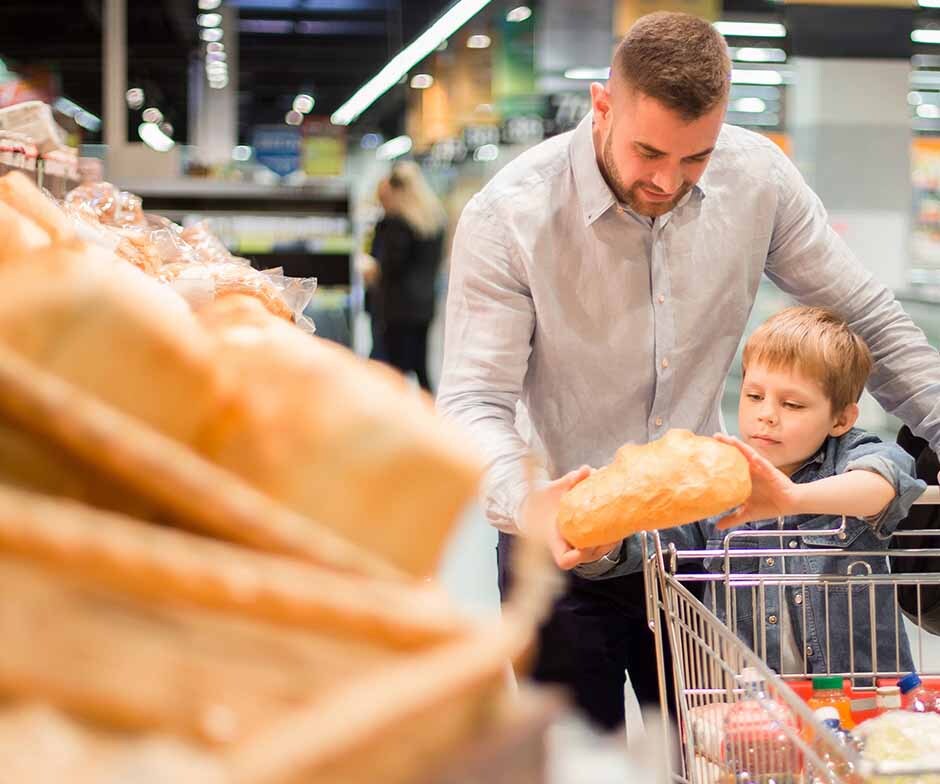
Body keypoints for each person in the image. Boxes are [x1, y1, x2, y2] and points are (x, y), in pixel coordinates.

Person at [436, 10, 940, 731]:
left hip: (697, 551)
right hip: (557, 544)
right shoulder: (509, 216)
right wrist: (528, 503)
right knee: (579, 761)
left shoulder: (756, 177)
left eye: (695, 157)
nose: (667, 180)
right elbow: (473, 400)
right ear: (602, 104)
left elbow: (869, 318)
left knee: (713, 754)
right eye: (648, 152)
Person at [575, 307, 926, 677]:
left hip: (862, 696)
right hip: (750, 704)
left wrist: (793, 498)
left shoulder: (852, 456)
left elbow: (885, 481)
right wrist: (604, 547)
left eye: (792, 404)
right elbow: (652, 539)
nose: (767, 414)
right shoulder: (717, 477)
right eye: (755, 396)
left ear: (841, 419)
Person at [371, 161, 446, 391]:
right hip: (424, 306)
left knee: (395, 373)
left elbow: (389, 266)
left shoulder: (396, 224)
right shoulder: (434, 222)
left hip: (397, 307)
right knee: (422, 369)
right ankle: (430, 419)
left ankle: (402, 423)